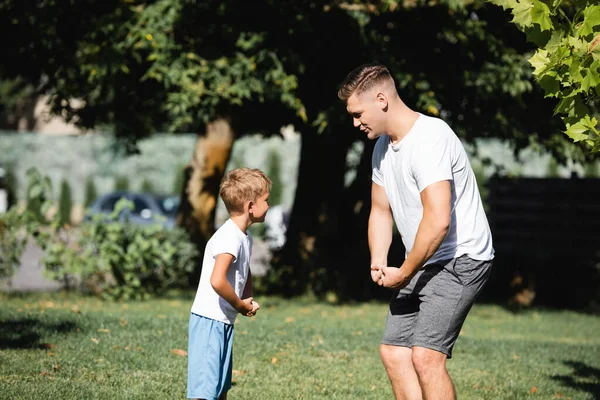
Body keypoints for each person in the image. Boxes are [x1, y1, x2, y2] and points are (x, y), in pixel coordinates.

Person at [338, 63, 494, 400]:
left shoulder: (430, 138)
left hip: (460, 258)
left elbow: (439, 220)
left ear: (381, 99)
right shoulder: (382, 148)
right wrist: (379, 260)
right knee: (394, 352)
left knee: (426, 357)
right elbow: (380, 210)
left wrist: (405, 272)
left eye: (357, 113)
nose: (355, 123)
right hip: (425, 260)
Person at [187, 167, 271, 400]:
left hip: (222, 321)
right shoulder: (228, 237)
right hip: (209, 322)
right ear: (250, 206)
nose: (269, 205)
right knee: (204, 392)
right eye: (266, 200)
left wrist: (248, 296)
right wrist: (240, 305)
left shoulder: (243, 236)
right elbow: (217, 280)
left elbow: (245, 270)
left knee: (220, 387)